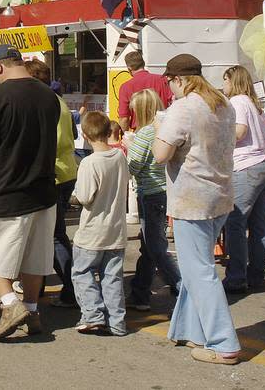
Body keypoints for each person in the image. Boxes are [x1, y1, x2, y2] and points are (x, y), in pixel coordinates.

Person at [0, 46, 60, 341]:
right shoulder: (49, 96)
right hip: (43, 189)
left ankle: (10, 304)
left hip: (5, 189)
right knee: (36, 257)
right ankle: (32, 310)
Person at [153, 54, 242, 365]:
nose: (169, 88)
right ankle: (192, 329)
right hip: (220, 195)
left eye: (169, 82)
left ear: (178, 80)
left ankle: (223, 342)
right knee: (198, 267)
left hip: (192, 198)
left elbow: (161, 154)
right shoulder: (223, 105)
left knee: (198, 271)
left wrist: (157, 127)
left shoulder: (183, 108)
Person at [25, 58, 80, 308]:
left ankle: (72, 289)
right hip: (65, 171)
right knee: (50, 235)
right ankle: (45, 287)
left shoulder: (45, 103)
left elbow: (51, 143)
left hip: (55, 174)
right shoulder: (58, 101)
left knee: (54, 236)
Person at [71, 110, 129, 336]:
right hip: (116, 230)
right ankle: (117, 321)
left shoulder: (89, 163)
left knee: (82, 272)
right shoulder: (120, 157)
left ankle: (93, 315)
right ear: (108, 132)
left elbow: (85, 197)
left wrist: (73, 195)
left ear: (85, 135)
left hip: (92, 232)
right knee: (112, 278)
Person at [222, 65, 265, 294]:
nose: (222, 85)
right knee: (259, 225)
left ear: (232, 81)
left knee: (235, 223)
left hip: (246, 167)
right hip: (264, 164)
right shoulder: (254, 104)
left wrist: (219, 133)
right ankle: (256, 275)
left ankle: (236, 277)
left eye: (225, 80)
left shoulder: (237, 102)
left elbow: (240, 131)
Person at [126, 88, 182, 310]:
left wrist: (128, 148)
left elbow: (134, 165)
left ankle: (180, 286)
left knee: (155, 247)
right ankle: (140, 292)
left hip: (150, 194)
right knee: (149, 246)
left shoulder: (145, 133)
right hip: (163, 190)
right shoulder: (162, 129)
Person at [117, 50, 172, 132]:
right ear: (143, 64)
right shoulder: (162, 79)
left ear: (129, 68)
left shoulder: (126, 87)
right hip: (162, 129)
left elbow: (124, 118)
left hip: (140, 131)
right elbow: (173, 103)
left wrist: (123, 136)